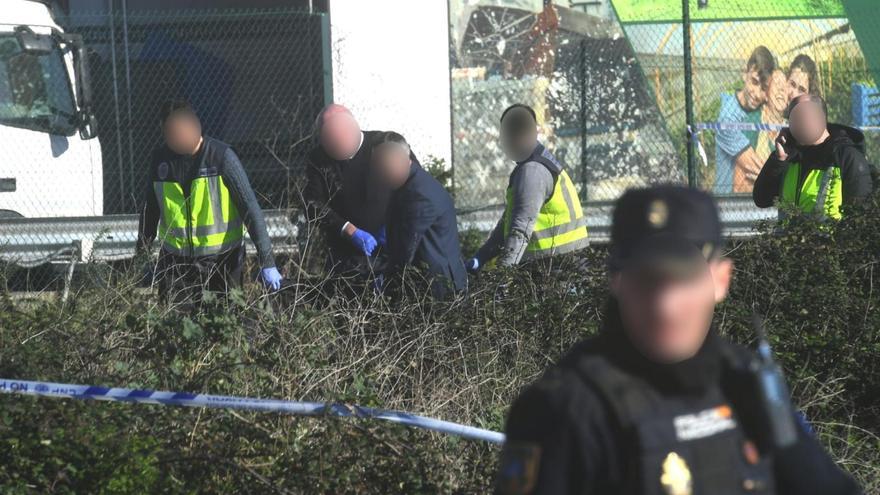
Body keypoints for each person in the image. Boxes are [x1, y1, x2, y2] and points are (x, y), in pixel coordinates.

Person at [495, 185, 862, 495]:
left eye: (685, 278)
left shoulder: (746, 381)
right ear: (615, 280)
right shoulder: (565, 408)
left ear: (721, 280)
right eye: (646, 279)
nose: (664, 306)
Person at [137, 99, 282, 303]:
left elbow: (250, 208)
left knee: (224, 325)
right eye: (169, 134)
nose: (174, 139)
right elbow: (150, 211)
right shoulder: (161, 161)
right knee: (176, 330)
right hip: (175, 264)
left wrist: (267, 261)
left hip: (223, 262)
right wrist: (141, 255)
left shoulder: (221, 158)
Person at [467, 104, 588, 273]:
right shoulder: (537, 162)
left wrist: (502, 279)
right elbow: (510, 221)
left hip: (556, 268)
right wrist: (482, 256)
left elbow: (520, 229)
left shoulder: (532, 171)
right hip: (561, 263)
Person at [303, 104, 419, 277]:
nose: (334, 147)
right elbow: (312, 204)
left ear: (354, 130)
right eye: (328, 143)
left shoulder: (386, 144)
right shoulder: (318, 160)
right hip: (349, 256)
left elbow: (415, 187)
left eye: (338, 141)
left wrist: (397, 224)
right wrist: (348, 230)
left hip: (396, 245)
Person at [371, 132, 467, 299]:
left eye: (383, 167)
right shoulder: (405, 183)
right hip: (427, 283)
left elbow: (405, 249)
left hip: (440, 289)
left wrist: (385, 281)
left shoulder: (419, 194)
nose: (378, 173)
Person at [753, 94, 873, 219]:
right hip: (787, 237)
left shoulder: (846, 156)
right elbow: (762, 199)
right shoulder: (787, 155)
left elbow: (860, 215)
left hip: (829, 238)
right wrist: (778, 160)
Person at [715, 46, 775, 194]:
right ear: (744, 74)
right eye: (754, 82)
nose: (757, 94)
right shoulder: (727, 119)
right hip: (728, 202)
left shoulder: (762, 108)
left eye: (763, 88)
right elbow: (758, 169)